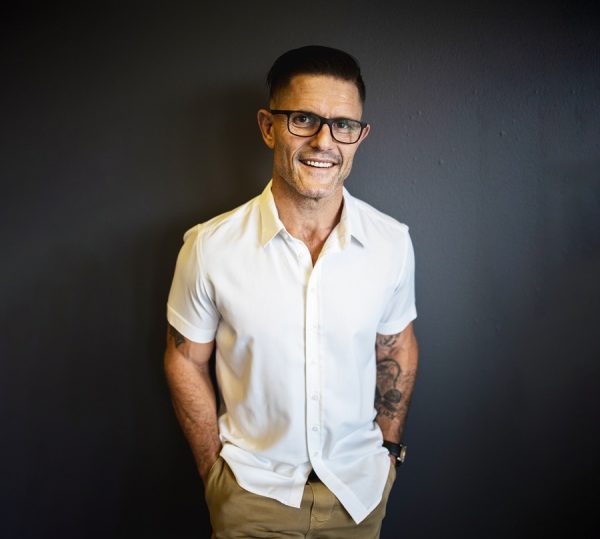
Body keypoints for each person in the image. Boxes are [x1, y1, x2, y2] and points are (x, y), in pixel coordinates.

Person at [164, 45, 419, 538]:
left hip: (359, 495)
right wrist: (214, 474)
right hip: (250, 497)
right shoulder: (209, 247)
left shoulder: (392, 243)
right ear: (268, 127)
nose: (325, 141)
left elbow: (397, 346)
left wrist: (388, 453)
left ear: (360, 136)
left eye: (343, 125)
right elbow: (184, 359)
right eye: (304, 119)